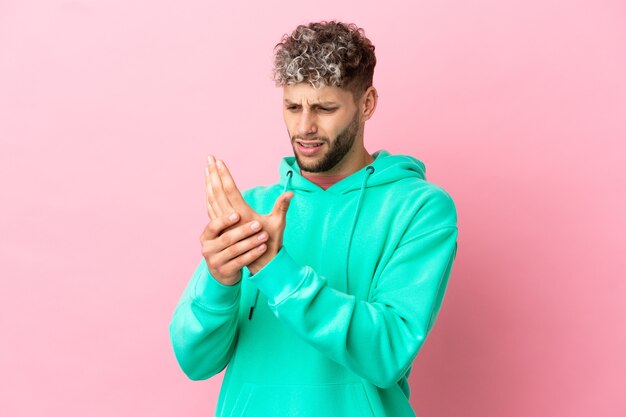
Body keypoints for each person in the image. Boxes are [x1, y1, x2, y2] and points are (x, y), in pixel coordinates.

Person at [169, 21, 458, 417]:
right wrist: (220, 282)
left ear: (367, 104)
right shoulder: (253, 211)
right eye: (293, 107)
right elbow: (195, 361)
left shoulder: (420, 209)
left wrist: (275, 268)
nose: (304, 127)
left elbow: (388, 353)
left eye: (324, 108)